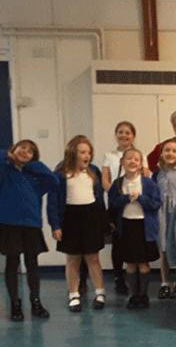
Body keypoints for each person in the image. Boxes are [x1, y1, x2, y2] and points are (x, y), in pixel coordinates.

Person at [47, 135, 108, 312]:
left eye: (89, 152)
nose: (86, 155)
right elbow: (52, 202)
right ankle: (73, 294)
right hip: (70, 218)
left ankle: (100, 292)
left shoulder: (93, 171)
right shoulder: (59, 173)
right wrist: (55, 225)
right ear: (73, 153)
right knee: (72, 259)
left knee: (93, 257)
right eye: (82, 152)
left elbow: (99, 199)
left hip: (90, 216)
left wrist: (104, 221)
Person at [0, 140, 58, 321]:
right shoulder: (5, 171)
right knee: (12, 263)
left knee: (32, 263)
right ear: (13, 149)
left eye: (30, 151)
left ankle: (36, 302)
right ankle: (15, 305)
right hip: (10, 223)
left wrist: (33, 165)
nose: (25, 152)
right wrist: (7, 156)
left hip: (31, 224)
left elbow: (54, 181)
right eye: (22, 148)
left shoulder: (35, 176)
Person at [108, 148, 161, 310]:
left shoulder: (149, 183)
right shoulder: (117, 184)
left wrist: (140, 198)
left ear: (140, 164)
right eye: (129, 158)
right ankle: (134, 295)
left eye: (136, 159)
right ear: (122, 162)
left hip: (143, 227)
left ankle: (143, 296)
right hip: (127, 226)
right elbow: (112, 203)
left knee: (143, 263)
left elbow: (156, 203)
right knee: (130, 263)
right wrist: (126, 198)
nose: (132, 162)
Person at [101, 121, 149, 296]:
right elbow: (105, 179)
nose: (124, 135)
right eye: (120, 132)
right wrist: (118, 193)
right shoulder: (109, 155)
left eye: (128, 132)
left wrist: (135, 192)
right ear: (116, 134)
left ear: (133, 136)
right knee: (118, 241)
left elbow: (146, 177)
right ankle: (118, 278)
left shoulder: (139, 155)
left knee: (136, 242)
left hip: (136, 203)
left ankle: (138, 285)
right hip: (118, 203)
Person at [151, 138, 176, 299]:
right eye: (167, 150)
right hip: (161, 215)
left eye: (174, 151)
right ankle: (165, 283)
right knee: (164, 249)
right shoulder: (155, 175)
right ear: (161, 154)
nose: (170, 153)